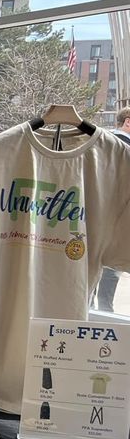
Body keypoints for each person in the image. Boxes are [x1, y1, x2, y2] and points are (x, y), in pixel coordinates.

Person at [95, 106, 130, 310]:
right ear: (127, 121)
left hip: (95, 213)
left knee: (91, 266)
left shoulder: (100, 142)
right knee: (110, 269)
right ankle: (105, 311)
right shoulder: (124, 146)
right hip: (119, 216)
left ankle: (88, 309)